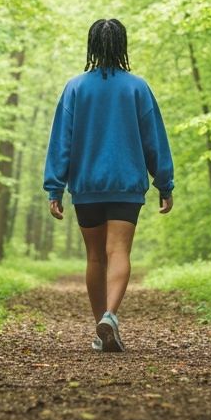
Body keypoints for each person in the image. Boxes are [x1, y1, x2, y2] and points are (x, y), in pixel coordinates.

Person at [43, 18, 174, 353]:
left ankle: (99, 327)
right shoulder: (137, 87)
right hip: (126, 185)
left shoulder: (75, 87)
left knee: (94, 257)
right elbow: (153, 139)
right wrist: (164, 183)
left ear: (92, 46)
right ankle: (110, 317)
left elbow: (62, 140)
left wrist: (55, 187)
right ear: (122, 45)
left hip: (86, 186)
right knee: (119, 252)